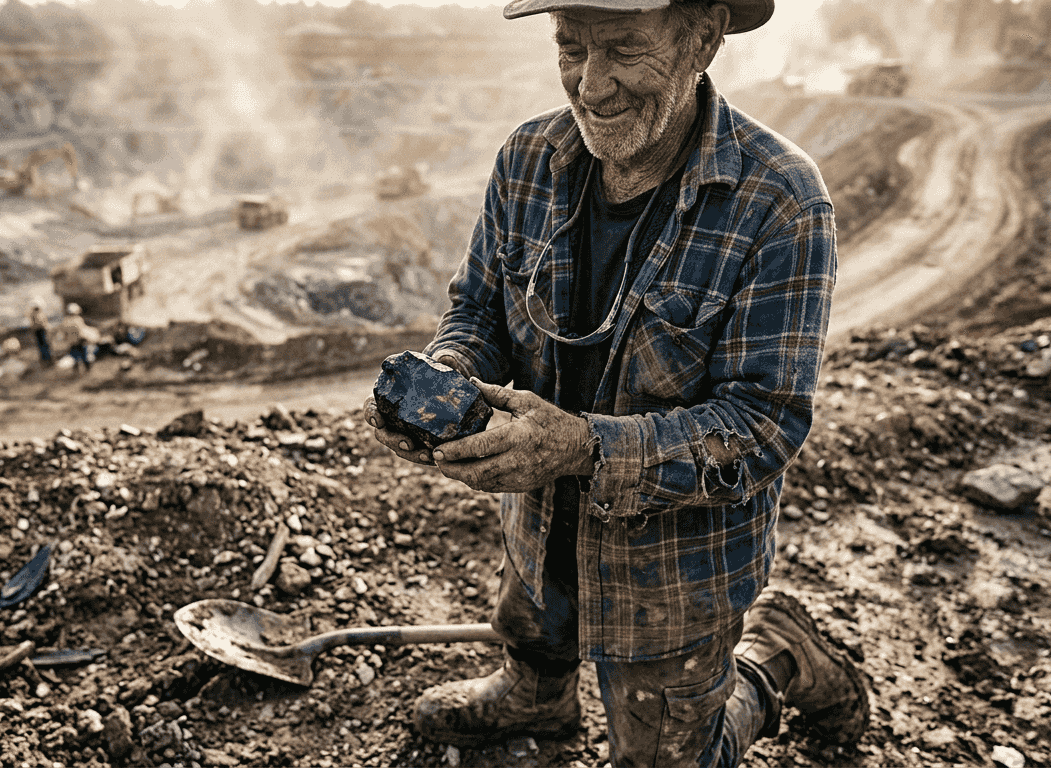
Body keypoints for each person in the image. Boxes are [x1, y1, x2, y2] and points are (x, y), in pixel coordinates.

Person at [363, 1, 868, 765]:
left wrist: (579, 448)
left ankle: (772, 663)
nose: (590, 85)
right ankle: (536, 695)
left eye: (625, 50)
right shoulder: (528, 158)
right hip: (539, 532)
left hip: (672, 583)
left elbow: (762, 424)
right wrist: (449, 375)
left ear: (703, 37)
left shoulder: (780, 201)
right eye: (571, 48)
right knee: (531, 622)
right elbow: (478, 310)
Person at [59, 302, 99, 375]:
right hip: (80, 341)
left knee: (74, 357)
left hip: (71, 343)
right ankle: (88, 370)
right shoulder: (78, 320)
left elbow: (64, 333)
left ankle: (76, 372)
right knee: (84, 356)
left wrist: (67, 340)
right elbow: (82, 332)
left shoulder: (65, 321)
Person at [27, 299, 51, 364]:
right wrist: (46, 327)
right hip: (40, 331)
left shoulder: (33, 313)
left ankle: (45, 358)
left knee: (42, 345)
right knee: (44, 345)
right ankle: (47, 359)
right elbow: (41, 323)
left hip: (38, 331)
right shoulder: (36, 314)